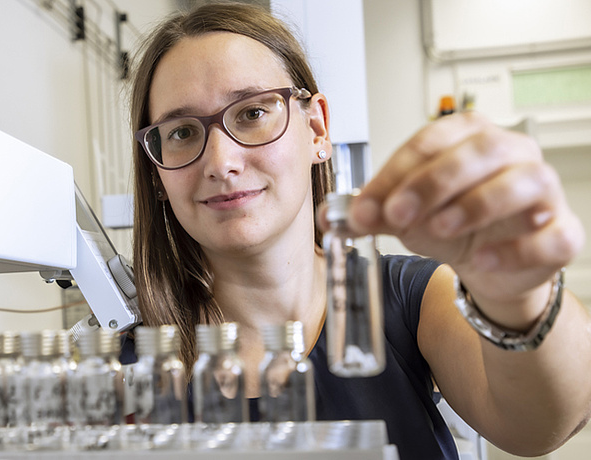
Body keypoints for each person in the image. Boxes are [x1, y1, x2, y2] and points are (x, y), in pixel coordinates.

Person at [121, 3, 591, 459]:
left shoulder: (412, 297)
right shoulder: (130, 369)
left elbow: (539, 427)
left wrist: (519, 295)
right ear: (157, 173)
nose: (222, 163)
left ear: (317, 129)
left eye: (252, 112)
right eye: (182, 132)